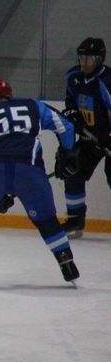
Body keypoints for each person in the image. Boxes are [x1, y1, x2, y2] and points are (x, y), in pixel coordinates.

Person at [0, 78, 79, 286]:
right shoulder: (33, 105)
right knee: (46, 221)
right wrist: (68, 152)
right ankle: (67, 262)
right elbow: (65, 127)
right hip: (30, 171)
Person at [58, 37, 111, 239]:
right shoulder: (73, 76)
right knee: (73, 171)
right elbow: (70, 100)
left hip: (107, 138)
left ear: (99, 59)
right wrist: (72, 113)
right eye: (81, 58)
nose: (84, 63)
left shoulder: (107, 81)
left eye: (89, 58)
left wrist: (108, 138)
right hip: (89, 138)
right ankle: (75, 220)